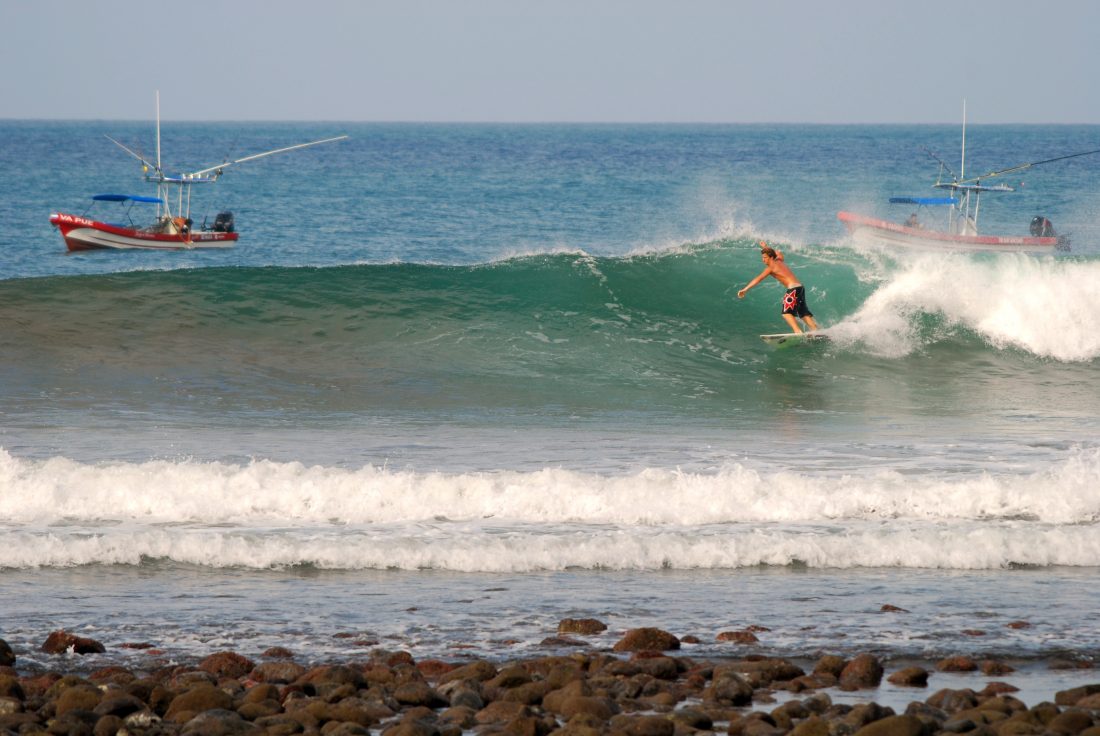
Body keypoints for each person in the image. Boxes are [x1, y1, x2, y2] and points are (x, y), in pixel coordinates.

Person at [737, 241, 820, 333]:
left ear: (771, 257)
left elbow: (758, 279)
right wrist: (766, 247)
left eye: (765, 258)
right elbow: (778, 253)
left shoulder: (770, 268)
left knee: (786, 313)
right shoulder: (779, 260)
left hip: (793, 289)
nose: (763, 260)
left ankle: (798, 332)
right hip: (800, 287)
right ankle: (816, 331)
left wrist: (745, 289)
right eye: (762, 258)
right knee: (803, 313)